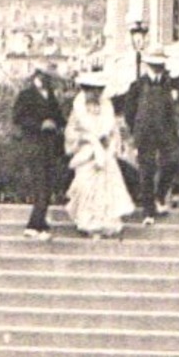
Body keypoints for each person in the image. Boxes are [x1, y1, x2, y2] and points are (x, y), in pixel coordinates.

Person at [64, 71, 135, 239]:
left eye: (98, 90)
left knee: (106, 188)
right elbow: (71, 133)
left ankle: (105, 224)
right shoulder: (78, 110)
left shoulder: (106, 108)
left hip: (105, 153)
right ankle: (88, 223)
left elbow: (114, 131)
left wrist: (109, 141)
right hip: (86, 153)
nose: (95, 94)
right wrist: (87, 139)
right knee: (86, 186)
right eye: (91, 90)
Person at [120, 49, 178, 225]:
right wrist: (136, 131)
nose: (158, 67)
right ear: (148, 65)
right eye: (155, 64)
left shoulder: (168, 85)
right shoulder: (137, 85)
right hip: (145, 134)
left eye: (160, 64)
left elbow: (171, 112)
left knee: (171, 163)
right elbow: (129, 112)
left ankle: (160, 196)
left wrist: (172, 131)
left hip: (165, 133)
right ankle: (148, 211)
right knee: (147, 171)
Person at [12, 69, 66, 240]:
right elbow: (18, 118)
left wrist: (58, 124)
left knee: (47, 186)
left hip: (49, 147)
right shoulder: (26, 95)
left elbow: (59, 117)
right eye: (44, 76)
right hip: (34, 145)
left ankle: (40, 224)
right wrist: (40, 125)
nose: (47, 80)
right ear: (36, 77)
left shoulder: (50, 95)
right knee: (41, 185)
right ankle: (33, 224)